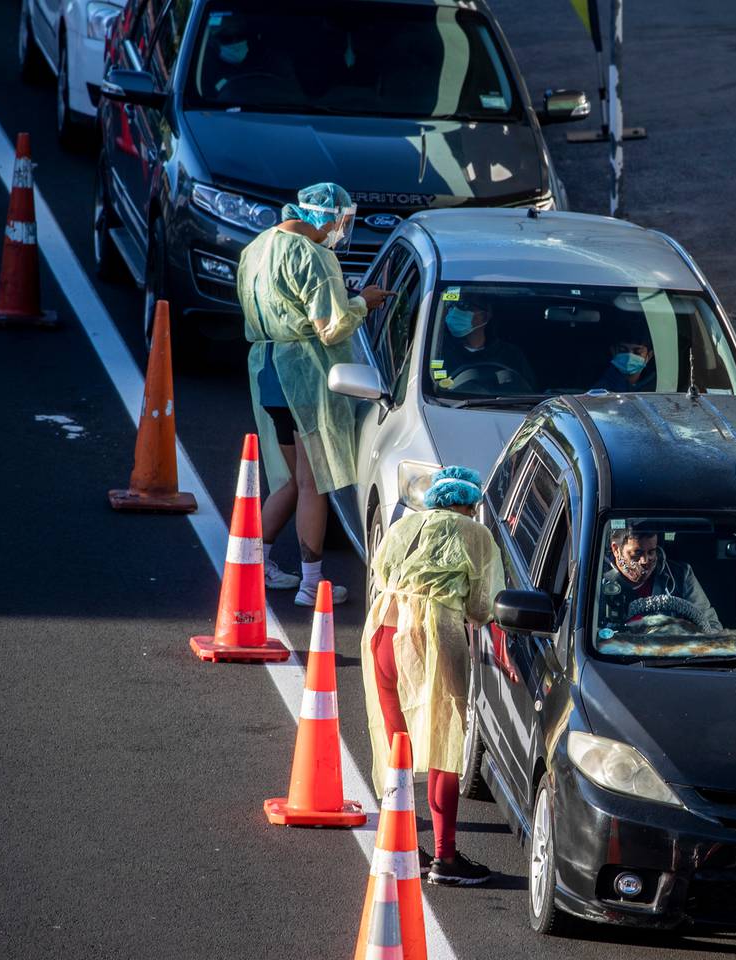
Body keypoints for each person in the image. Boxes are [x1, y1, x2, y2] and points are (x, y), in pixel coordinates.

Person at [239, 181, 387, 606]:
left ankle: (254, 563)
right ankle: (310, 585)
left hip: (267, 374)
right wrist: (363, 302)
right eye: (341, 220)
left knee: (287, 482)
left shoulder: (258, 247)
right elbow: (330, 326)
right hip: (302, 377)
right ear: (324, 216)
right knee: (312, 483)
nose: (341, 229)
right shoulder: (314, 256)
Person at [360, 465, 502, 887]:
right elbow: (481, 606)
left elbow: (381, 573)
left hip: (384, 629)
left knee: (395, 745)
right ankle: (445, 857)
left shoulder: (404, 526)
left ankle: (402, 842)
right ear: (466, 503)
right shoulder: (474, 534)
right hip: (432, 635)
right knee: (444, 743)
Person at [599, 528, 721, 632]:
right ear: (616, 550)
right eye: (637, 553)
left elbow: (712, 627)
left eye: (651, 552)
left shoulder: (680, 575)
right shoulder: (596, 580)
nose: (645, 560)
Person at [433, 294, 536, 393]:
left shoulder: (511, 355)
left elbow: (527, 392)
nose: (454, 311)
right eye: (451, 304)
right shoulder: (438, 352)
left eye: (464, 305)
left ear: (484, 317)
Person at [592, 323, 657, 392]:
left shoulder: (658, 384)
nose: (629, 356)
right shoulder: (602, 384)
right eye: (623, 350)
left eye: (637, 352)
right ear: (613, 351)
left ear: (649, 355)